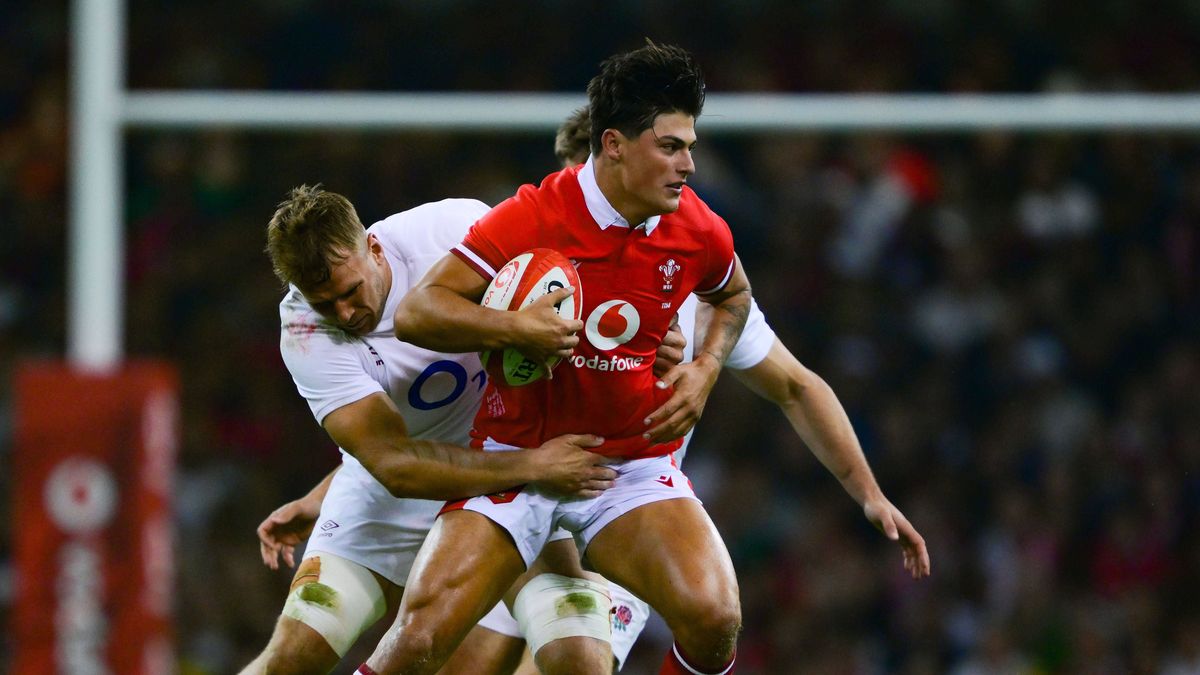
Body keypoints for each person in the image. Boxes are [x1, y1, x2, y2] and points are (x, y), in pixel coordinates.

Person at [363, 42, 754, 675]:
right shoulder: (534, 216)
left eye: (690, 146)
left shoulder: (697, 227)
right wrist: (515, 327)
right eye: (670, 146)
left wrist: (706, 367)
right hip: (517, 463)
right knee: (418, 642)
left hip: (625, 466)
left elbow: (732, 295)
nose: (687, 165)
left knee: (716, 621)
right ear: (614, 144)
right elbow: (419, 311)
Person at [239, 186, 618, 674]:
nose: (346, 315)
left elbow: (575, 284)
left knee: (579, 651)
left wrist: (647, 338)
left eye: (351, 292)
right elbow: (395, 463)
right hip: (414, 485)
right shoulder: (305, 332)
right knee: (292, 658)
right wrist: (536, 465)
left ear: (374, 249)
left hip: (505, 458)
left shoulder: (452, 232)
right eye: (325, 302)